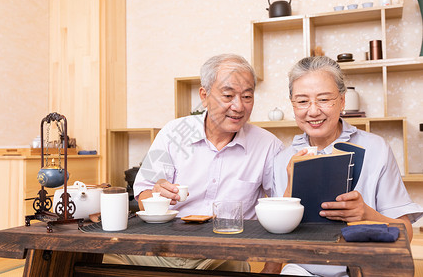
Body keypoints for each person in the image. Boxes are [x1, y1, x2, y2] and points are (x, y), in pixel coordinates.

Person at [104, 53, 284, 272]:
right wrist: (158, 194)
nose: (238, 106)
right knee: (106, 258)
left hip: (224, 256)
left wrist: (271, 270)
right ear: (204, 95)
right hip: (161, 250)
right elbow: (142, 196)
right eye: (228, 96)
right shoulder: (173, 132)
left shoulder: (267, 146)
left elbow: (283, 210)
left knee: (232, 265)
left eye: (247, 96)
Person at [264, 56, 423, 276]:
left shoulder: (376, 149)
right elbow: (278, 237)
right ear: (292, 104)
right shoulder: (283, 159)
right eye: (302, 101)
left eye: (324, 99)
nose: (312, 111)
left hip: (363, 269)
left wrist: (365, 213)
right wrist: (291, 184)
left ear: (342, 101)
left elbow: (406, 232)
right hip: (300, 270)